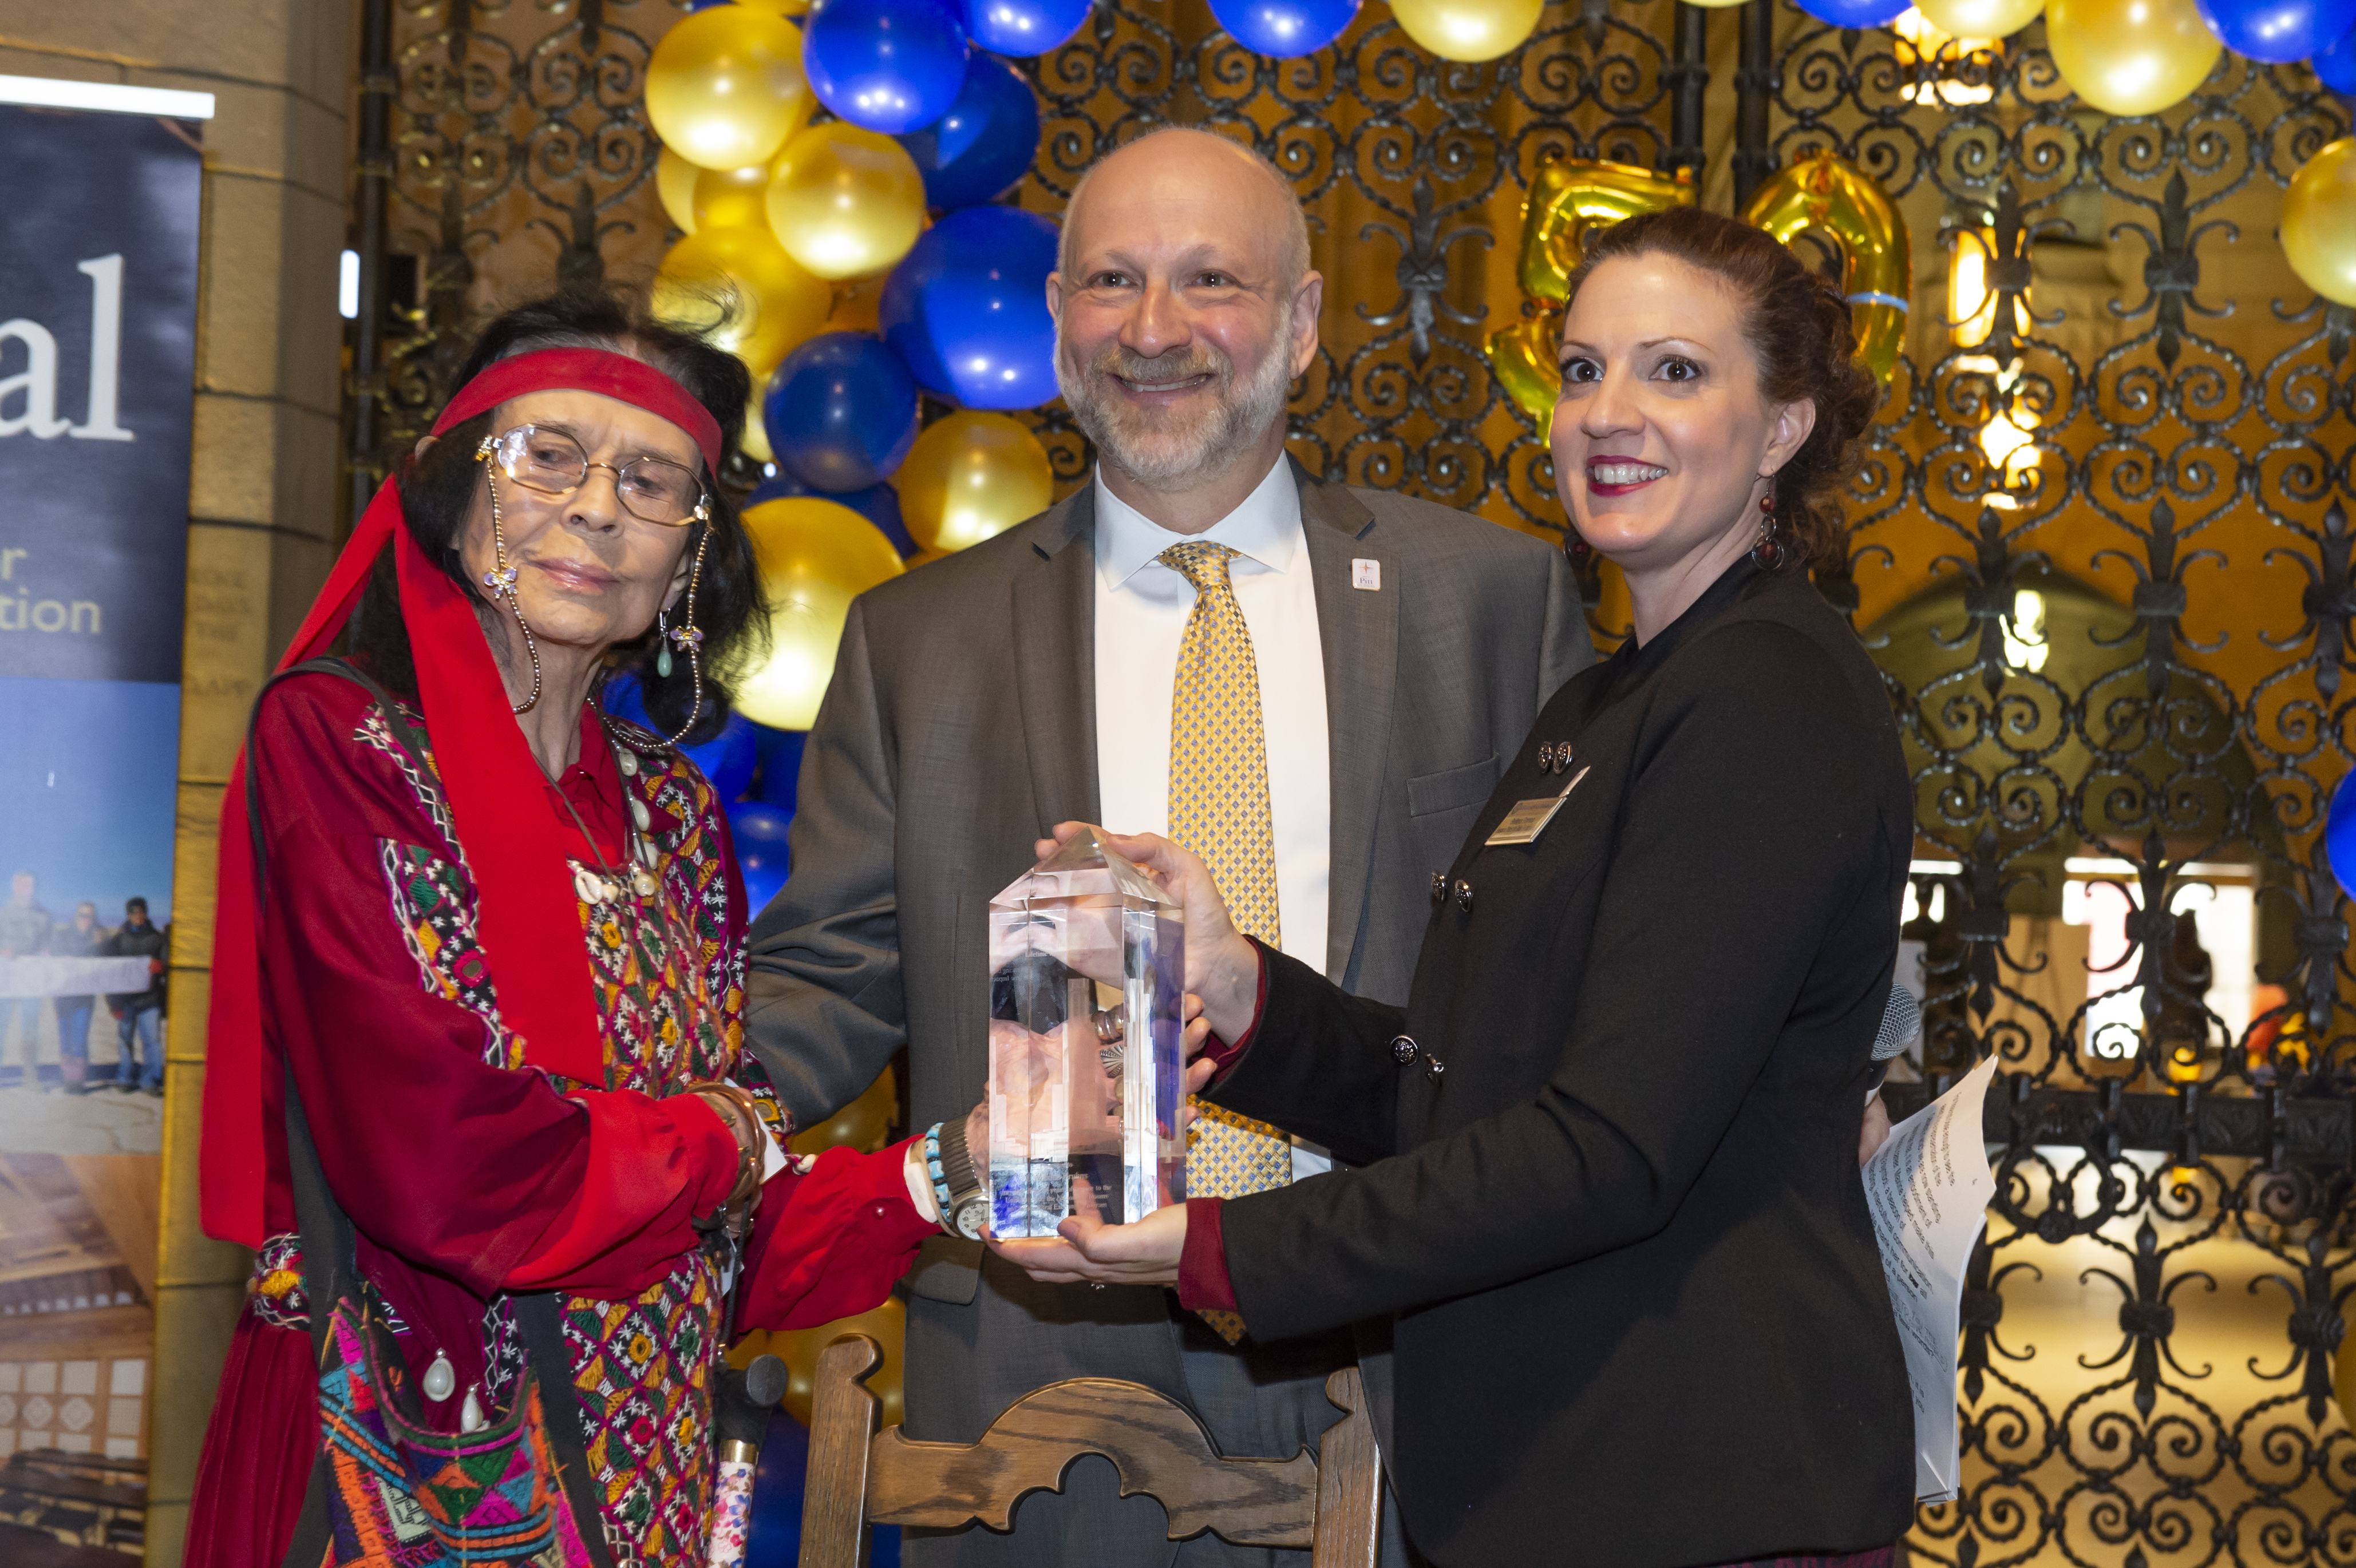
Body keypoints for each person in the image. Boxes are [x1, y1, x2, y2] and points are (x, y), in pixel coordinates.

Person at [998, 205, 1918, 1567]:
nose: (1612, 413)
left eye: (1676, 371)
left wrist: (1215, 1246)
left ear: (1781, 428)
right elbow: (1473, 1092)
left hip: (1696, 1489)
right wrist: (1240, 988)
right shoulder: (1612, 700)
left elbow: (1605, 1148)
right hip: (1562, 1481)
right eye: (1583, 368)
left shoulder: (1764, 695)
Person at [745, 126, 1589, 1567]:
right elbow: (824, 979)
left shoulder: (1494, 599)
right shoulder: (917, 640)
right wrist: (640, 1123)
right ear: (1060, 319)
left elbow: (1557, 980)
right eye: (1112, 282)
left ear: (1305, 322)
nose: (1155, 329)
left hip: (1399, 1354)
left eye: (1213, 281)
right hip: (1034, 1372)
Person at [184, 292, 960, 1567]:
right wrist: (721, 1131)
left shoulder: (674, 810)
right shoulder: (341, 744)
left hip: (641, 1482)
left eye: (652, 479)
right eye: (549, 454)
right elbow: (438, 1159)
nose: (597, 506)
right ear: (453, 487)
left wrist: (956, 1171)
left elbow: (714, 1242)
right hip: (392, 1465)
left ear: (690, 559)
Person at [103, 896, 167, 1095]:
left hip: (150, 1000)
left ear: (146, 913)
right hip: (126, 1001)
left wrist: (162, 967)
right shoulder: (119, 940)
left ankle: (150, 1081)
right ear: (128, 915)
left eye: (141, 912)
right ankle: (125, 1078)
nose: (138, 916)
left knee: (152, 1042)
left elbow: (169, 962)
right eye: (133, 912)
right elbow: (108, 971)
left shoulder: (158, 938)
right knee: (125, 1040)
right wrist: (113, 1003)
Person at [0, 870, 53, 1083]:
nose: (26, 889)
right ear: (15, 887)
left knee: (31, 1028)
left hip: (31, 983)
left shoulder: (44, 915)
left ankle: (30, 1076)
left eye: (30, 885)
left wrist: (46, 951)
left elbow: (50, 942)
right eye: (22, 885)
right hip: (6, 983)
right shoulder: (3, 913)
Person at [50, 901, 105, 1094]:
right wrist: (63, 958)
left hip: (84, 999)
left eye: (90, 916)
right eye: (82, 915)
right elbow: (52, 959)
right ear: (76, 916)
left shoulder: (99, 937)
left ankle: (79, 1080)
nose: (86, 920)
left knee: (79, 1039)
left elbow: (106, 964)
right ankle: (68, 1079)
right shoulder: (63, 935)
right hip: (64, 998)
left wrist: (101, 945)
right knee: (65, 1039)